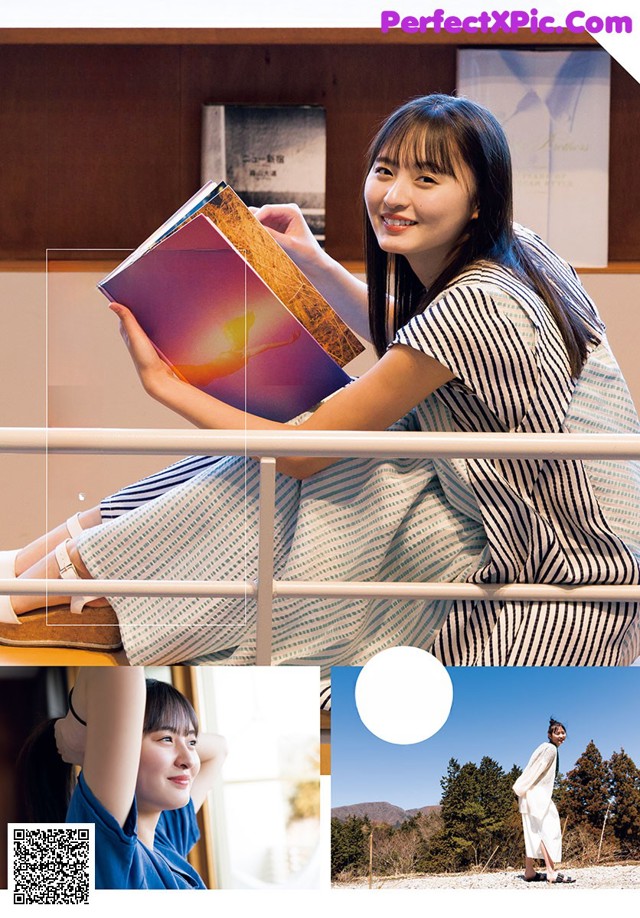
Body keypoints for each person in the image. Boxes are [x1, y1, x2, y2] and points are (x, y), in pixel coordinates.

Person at [2, 93, 640, 672]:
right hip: (578, 533)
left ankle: (68, 573)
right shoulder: (522, 252)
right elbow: (417, 337)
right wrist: (313, 260)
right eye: (385, 170)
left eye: (428, 178)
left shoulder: (475, 304)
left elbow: (302, 453)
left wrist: (166, 385)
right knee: (251, 461)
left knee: (276, 466)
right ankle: (55, 566)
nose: (395, 196)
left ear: (479, 201)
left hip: (563, 573)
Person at [17, 667, 227, 889]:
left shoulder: (162, 840)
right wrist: (75, 733)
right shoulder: (111, 853)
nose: (189, 760)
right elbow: (116, 670)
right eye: (166, 739)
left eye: (192, 743)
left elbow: (220, 748)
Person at [513, 718, 575, 884]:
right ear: (550, 735)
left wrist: (521, 790)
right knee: (547, 829)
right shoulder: (550, 749)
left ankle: (529, 871)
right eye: (557, 733)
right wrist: (521, 787)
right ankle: (551, 871)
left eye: (563, 732)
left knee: (533, 831)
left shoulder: (548, 748)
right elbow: (536, 770)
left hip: (530, 794)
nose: (561, 735)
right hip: (535, 795)